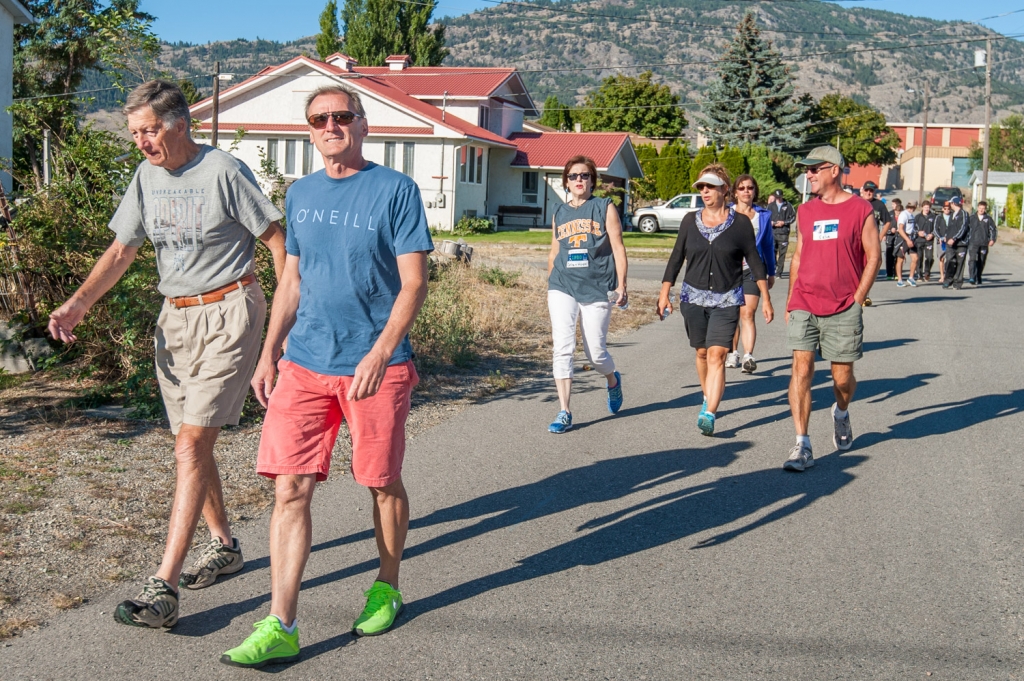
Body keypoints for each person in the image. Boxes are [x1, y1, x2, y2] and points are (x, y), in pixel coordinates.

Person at [46, 81, 286, 628]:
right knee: (190, 442)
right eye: (134, 134)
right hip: (174, 318)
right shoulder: (146, 177)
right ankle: (224, 544)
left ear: (180, 124)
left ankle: (164, 587)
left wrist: (280, 331)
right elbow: (122, 249)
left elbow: (277, 243)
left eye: (149, 131)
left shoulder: (224, 171)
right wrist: (76, 305)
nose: (142, 143)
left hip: (230, 310)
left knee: (191, 442)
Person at [220, 84, 433, 668]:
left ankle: (387, 585)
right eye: (319, 119)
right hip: (306, 364)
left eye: (342, 116)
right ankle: (280, 622)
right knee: (288, 487)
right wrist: (269, 354)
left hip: (376, 367)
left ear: (363, 125)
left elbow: (413, 282)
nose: (331, 126)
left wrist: (380, 351)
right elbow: (292, 279)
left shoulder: (395, 189)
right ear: (309, 130)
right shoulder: (301, 192)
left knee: (380, 481)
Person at [783, 146, 880, 472]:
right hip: (805, 302)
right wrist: (790, 299)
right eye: (806, 170)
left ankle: (841, 411)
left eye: (814, 169)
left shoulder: (860, 208)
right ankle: (802, 444)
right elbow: (799, 255)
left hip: (843, 306)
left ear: (834, 170)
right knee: (801, 370)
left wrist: (858, 298)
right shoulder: (806, 210)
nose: (807, 175)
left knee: (842, 380)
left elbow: (874, 256)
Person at [658, 164, 773, 437]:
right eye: (701, 187)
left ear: (725, 190)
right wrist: (664, 292)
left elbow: (756, 262)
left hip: (728, 298)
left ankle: (710, 410)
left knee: (717, 354)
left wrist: (765, 297)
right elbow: (676, 258)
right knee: (701, 352)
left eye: (710, 186)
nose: (705, 191)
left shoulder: (741, 224)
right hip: (693, 299)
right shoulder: (689, 221)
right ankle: (706, 395)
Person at [546, 156, 628, 433]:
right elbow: (555, 250)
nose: (578, 180)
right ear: (566, 181)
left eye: (584, 176)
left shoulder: (604, 207)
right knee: (563, 347)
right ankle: (564, 411)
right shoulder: (559, 211)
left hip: (597, 287)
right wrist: (550, 280)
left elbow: (618, 248)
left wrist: (622, 286)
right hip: (563, 285)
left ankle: (612, 379)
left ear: (593, 180)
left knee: (595, 354)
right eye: (573, 176)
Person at [725, 174, 775, 374]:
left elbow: (768, 245)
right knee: (731, 312)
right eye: (742, 188)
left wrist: (770, 272)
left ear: (755, 191)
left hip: (753, 269)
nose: (746, 191)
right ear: (735, 192)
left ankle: (748, 356)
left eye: (750, 188)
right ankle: (733, 352)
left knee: (747, 312)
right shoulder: (726, 213)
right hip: (728, 269)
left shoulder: (763, 215)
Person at [860, 181, 889, 306]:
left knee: (869, 267)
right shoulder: (856, 202)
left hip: (871, 241)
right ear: (862, 190)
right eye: (866, 190)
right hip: (856, 239)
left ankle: (865, 295)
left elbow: (887, 221)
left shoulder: (879, 205)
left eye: (871, 191)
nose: (868, 192)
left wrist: (880, 236)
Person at [942, 196, 970, 290]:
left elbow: (963, 228)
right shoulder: (951, 215)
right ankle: (948, 280)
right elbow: (949, 228)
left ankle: (957, 282)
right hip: (950, 244)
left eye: (951, 203)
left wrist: (954, 238)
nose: (950, 205)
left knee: (960, 263)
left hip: (961, 243)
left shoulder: (964, 214)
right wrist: (946, 236)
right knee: (949, 261)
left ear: (954, 203)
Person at [968, 200, 997, 285]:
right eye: (980, 208)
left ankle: (978, 276)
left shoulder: (988, 219)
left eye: (983, 208)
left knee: (981, 261)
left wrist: (992, 239)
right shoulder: (972, 218)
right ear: (977, 208)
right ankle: (972, 277)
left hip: (984, 243)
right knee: (972, 260)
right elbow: (966, 229)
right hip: (973, 243)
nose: (981, 210)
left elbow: (993, 230)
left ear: (985, 209)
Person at [768, 188, 795, 277]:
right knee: (772, 252)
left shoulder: (788, 205)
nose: (778, 199)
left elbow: (793, 217)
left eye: (779, 197)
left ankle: (779, 272)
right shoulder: (771, 206)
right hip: (773, 232)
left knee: (782, 254)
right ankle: (774, 268)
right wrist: (770, 222)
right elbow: (765, 217)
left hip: (783, 233)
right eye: (776, 197)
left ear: (782, 196)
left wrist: (784, 222)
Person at [895, 201, 919, 287]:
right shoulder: (903, 214)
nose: (912, 208)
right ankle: (900, 280)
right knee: (900, 259)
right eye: (910, 207)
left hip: (911, 237)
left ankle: (911, 277)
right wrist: (907, 240)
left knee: (915, 258)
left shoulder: (911, 215)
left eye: (913, 207)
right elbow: (901, 229)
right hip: (904, 238)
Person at [914, 200, 936, 282]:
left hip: (929, 241)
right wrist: (918, 232)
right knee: (919, 258)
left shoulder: (933, 217)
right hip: (919, 240)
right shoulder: (917, 217)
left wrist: (932, 234)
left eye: (928, 207)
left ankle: (927, 273)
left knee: (929, 257)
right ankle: (919, 275)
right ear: (922, 207)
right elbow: (913, 228)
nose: (926, 209)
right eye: (925, 207)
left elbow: (936, 228)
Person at [884, 198, 902, 279]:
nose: (892, 206)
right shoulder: (889, 214)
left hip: (899, 237)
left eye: (894, 204)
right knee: (889, 255)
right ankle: (889, 273)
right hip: (890, 237)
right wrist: (887, 232)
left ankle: (896, 273)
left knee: (897, 255)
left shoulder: (903, 214)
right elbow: (885, 225)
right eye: (892, 204)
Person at [935, 201, 952, 285]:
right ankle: (942, 276)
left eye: (948, 208)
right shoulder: (939, 217)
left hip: (950, 241)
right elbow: (935, 229)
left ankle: (948, 275)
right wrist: (940, 237)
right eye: (945, 208)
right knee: (941, 258)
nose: (947, 210)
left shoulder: (953, 217)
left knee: (949, 259)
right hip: (941, 241)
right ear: (942, 209)